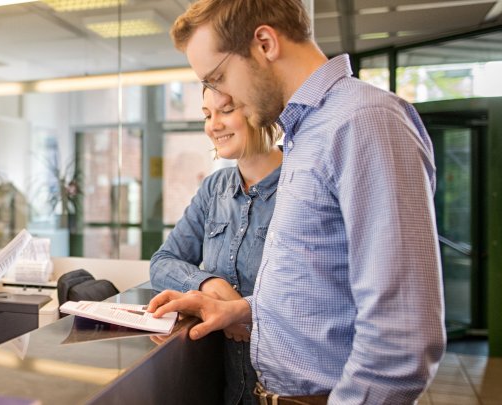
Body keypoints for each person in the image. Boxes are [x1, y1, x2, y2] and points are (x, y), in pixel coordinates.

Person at [148, 0, 445, 403]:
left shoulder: (363, 121)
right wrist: (247, 311)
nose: (220, 99)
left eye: (219, 78)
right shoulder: (307, 134)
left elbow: (400, 340)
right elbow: (321, 292)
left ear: (265, 43)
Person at [150, 87, 282, 405]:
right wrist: (211, 284)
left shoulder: (300, 184)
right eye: (207, 115)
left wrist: (242, 311)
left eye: (226, 110)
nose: (213, 125)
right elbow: (162, 261)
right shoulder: (215, 189)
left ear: (262, 109)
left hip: (284, 389)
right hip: (230, 388)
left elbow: (314, 291)